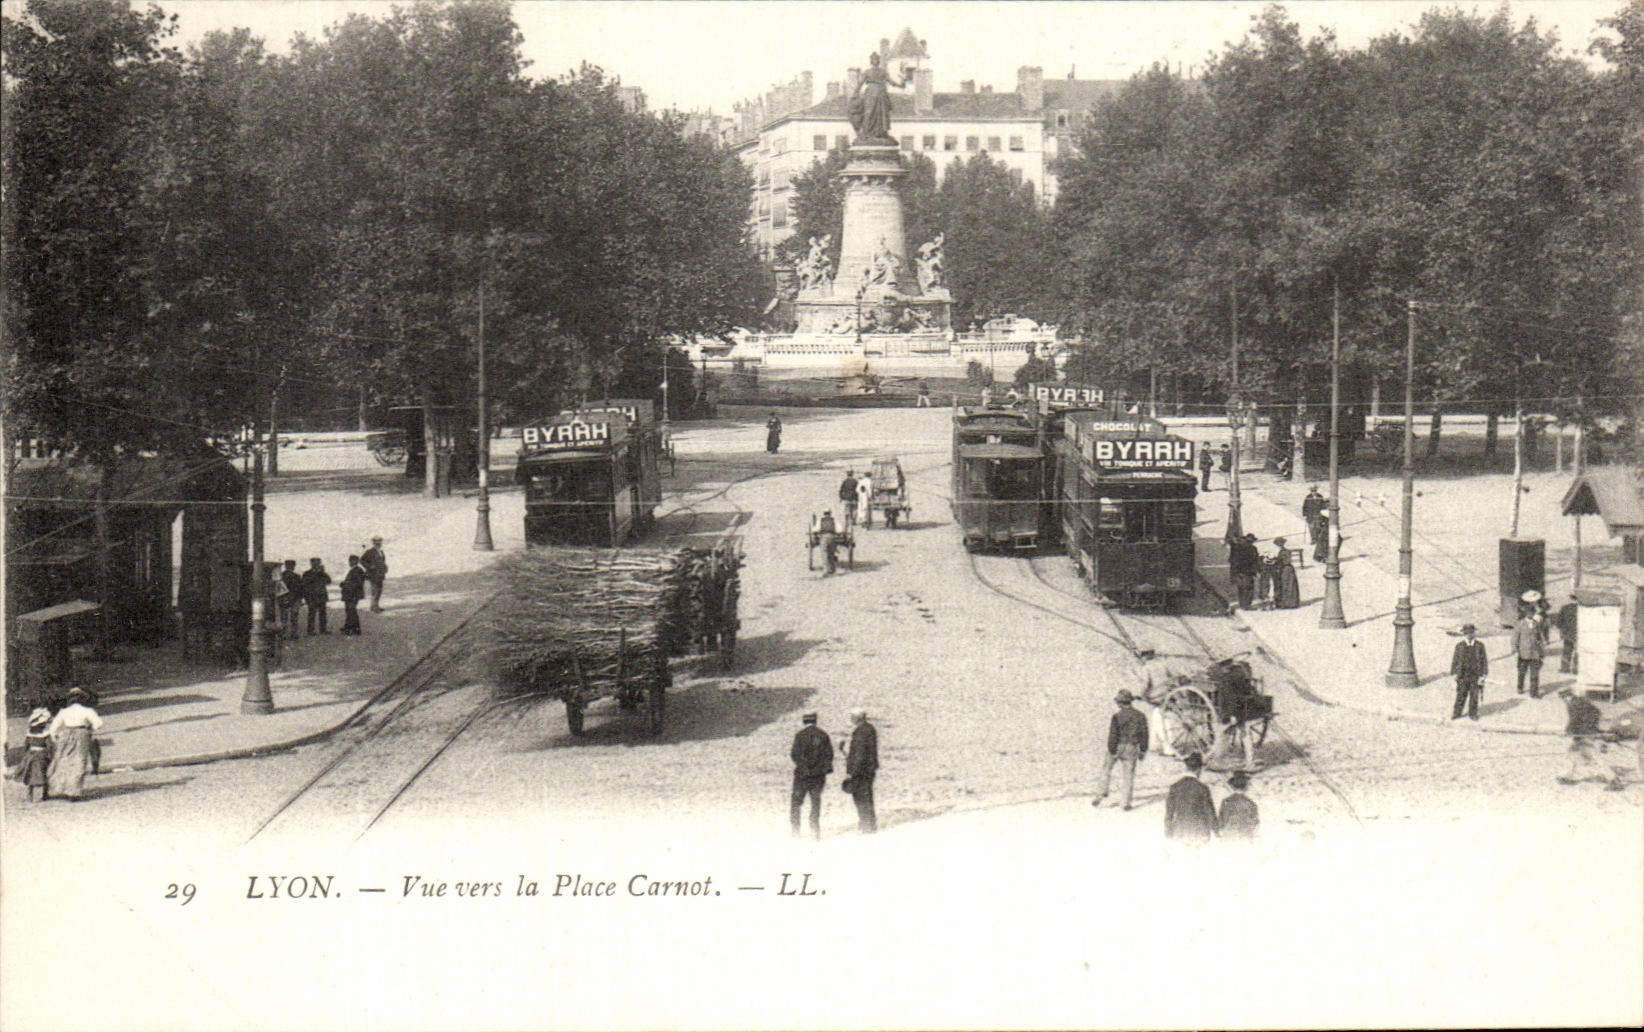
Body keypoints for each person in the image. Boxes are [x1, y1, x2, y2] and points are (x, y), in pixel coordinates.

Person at [1094, 689, 1149, 811]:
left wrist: (1111, 749)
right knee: (1128, 776)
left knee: (1106, 769)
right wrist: (1143, 750)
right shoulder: (1140, 716)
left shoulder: (1117, 716)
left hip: (1118, 745)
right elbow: (1144, 734)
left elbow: (1113, 735)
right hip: (1132, 747)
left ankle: (1101, 792)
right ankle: (1125, 803)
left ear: (1120, 703)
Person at [45, 687, 102, 801]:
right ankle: (73, 792)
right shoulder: (88, 711)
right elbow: (98, 723)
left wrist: (55, 737)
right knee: (79, 762)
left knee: (63, 761)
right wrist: (90, 729)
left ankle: (60, 789)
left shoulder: (64, 712)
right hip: (82, 735)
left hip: (65, 735)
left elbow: (54, 727)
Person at [848, 52, 909, 144]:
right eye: (874, 59)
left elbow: (860, 84)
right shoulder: (873, 72)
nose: (875, 61)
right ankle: (870, 133)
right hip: (877, 94)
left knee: (879, 113)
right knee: (872, 112)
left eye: (876, 59)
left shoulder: (873, 72)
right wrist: (901, 85)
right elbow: (891, 82)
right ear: (873, 61)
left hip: (876, 94)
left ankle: (876, 132)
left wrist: (854, 95)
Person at [790, 712, 833, 839]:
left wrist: (804, 767)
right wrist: (820, 769)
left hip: (802, 775)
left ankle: (795, 830)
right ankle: (815, 831)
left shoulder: (799, 735)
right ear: (815, 721)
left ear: (804, 721)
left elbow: (794, 755)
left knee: (796, 802)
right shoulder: (823, 735)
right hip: (818, 776)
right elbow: (829, 755)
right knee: (815, 802)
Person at [1556, 687, 1609, 785]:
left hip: (1585, 733)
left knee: (1592, 755)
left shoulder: (1572, 704)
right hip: (1587, 731)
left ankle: (1612, 778)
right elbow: (1596, 712)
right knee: (1573, 753)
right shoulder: (1580, 700)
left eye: (1564, 698)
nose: (1564, 700)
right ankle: (1566, 775)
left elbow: (1574, 720)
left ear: (1568, 696)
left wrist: (1567, 732)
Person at [1164, 752, 1218, 843]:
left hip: (1180, 832)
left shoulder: (1175, 787)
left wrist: (1168, 832)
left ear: (1187, 768)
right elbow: (1209, 811)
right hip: (1200, 832)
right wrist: (1216, 831)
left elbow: (1169, 813)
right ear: (1199, 770)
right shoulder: (1202, 788)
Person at [842, 708, 879, 833]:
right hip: (869, 769)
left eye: (852, 716)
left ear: (857, 718)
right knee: (867, 797)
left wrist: (853, 771)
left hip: (861, 771)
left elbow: (860, 753)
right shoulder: (870, 729)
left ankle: (866, 826)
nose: (851, 719)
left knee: (861, 799)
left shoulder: (860, 731)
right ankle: (870, 825)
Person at [1450, 623, 1488, 721]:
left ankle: (1473, 713)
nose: (1469, 635)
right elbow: (1455, 660)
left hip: (1475, 675)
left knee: (1474, 695)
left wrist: (1483, 676)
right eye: (1467, 633)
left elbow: (1484, 661)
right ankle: (1457, 712)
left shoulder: (1480, 646)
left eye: (1471, 633)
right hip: (1463, 675)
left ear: (1474, 633)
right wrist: (1454, 673)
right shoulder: (1459, 646)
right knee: (1461, 694)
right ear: (1464, 634)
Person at [17, 708, 54, 802]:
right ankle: (45, 794)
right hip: (42, 755)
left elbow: (26, 745)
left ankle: (30, 795)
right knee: (44, 773)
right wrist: (50, 755)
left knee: (30, 774)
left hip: (31, 755)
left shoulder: (29, 734)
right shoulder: (45, 734)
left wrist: (26, 754)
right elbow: (49, 745)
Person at [1513, 603, 1544, 698]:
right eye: (1529, 613)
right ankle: (1520, 687)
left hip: (1534, 652)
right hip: (1523, 653)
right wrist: (1515, 650)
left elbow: (1539, 638)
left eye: (1532, 613)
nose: (1530, 614)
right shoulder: (1520, 624)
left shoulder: (1536, 624)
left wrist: (1541, 651)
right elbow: (1515, 638)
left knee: (1535, 673)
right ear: (1526, 613)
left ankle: (1534, 693)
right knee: (1522, 672)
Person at [1218, 770, 1260, 841]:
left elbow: (1221, 823)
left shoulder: (1226, 802)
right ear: (1246, 787)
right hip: (1245, 838)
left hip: (1230, 838)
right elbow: (1255, 824)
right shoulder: (1251, 803)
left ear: (1232, 786)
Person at [1228, 532, 1261, 610]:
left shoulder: (1238, 548)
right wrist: (1258, 570)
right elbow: (1255, 560)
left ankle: (1242, 604)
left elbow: (1232, 559)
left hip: (1239, 572)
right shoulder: (1252, 549)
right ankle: (1247, 605)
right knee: (1249, 588)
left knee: (1241, 588)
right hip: (1248, 572)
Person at [301, 557, 332, 635]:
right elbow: (304, 584)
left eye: (318, 563)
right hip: (312, 596)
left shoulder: (322, 573)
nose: (316, 564)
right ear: (311, 563)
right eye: (314, 563)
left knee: (323, 613)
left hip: (321, 595)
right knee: (312, 613)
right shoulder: (307, 573)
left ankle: (323, 629)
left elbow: (328, 581)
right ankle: (310, 630)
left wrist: (322, 572)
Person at [339, 555, 367, 636]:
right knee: (351, 610)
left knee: (351, 611)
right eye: (350, 560)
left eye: (352, 560)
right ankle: (353, 628)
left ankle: (351, 628)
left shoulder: (357, 570)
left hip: (353, 594)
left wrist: (345, 585)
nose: (350, 562)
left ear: (356, 561)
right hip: (351, 594)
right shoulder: (355, 570)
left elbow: (357, 583)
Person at [1270, 539, 1300, 609]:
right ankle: (1286, 603)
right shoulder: (1282, 551)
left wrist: (1276, 562)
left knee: (1287, 586)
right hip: (1285, 569)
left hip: (1286, 570)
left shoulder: (1285, 551)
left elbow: (1286, 561)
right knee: (1286, 586)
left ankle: (1288, 603)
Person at [278, 559, 303, 640]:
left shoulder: (281, 576)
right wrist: (300, 599)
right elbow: (300, 589)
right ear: (294, 566)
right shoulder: (297, 576)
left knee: (284, 618)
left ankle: (283, 634)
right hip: (295, 599)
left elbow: (278, 589)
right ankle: (293, 634)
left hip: (284, 599)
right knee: (294, 618)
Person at [361, 536, 388, 613]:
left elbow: (382, 562)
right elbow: (362, 560)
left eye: (379, 542)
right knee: (375, 591)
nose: (378, 544)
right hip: (373, 575)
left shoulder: (381, 552)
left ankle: (376, 606)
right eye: (376, 543)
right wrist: (369, 566)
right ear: (373, 543)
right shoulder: (370, 552)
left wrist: (385, 567)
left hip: (380, 574)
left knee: (379, 591)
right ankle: (374, 607)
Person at [1556, 599, 1579, 674]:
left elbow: (1558, 622)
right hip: (1578, 633)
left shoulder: (1565, 608)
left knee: (1567, 651)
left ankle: (1565, 668)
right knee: (1577, 651)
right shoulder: (1581, 608)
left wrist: (1562, 629)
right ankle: (1576, 668)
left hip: (1567, 633)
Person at [816, 510, 839, 576]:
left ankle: (825, 570)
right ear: (830, 514)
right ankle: (832, 570)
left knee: (824, 553)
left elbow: (816, 529)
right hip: (832, 537)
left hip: (823, 537)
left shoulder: (820, 520)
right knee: (831, 553)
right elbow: (840, 529)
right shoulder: (834, 520)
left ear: (824, 514)